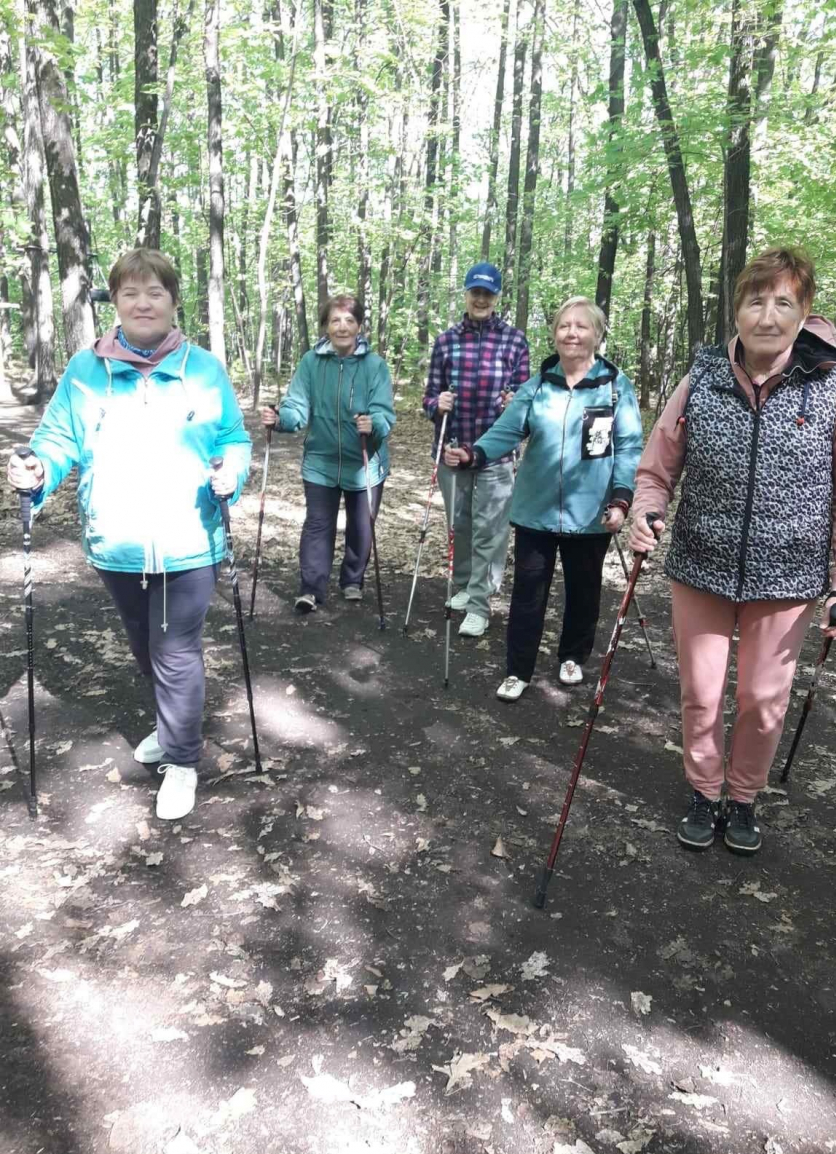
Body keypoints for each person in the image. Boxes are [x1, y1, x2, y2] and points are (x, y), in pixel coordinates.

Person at [628, 246, 836, 856]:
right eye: (755, 300)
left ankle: (743, 796)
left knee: (763, 701)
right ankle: (704, 791)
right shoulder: (701, 376)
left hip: (790, 574)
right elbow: (657, 470)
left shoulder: (832, 389)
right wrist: (645, 512)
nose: (767, 315)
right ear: (736, 308)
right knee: (701, 693)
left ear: (804, 311)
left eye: (783, 302)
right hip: (700, 563)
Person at [7, 247, 251, 821]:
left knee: (176, 651)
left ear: (172, 301)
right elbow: (58, 440)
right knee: (146, 649)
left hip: (189, 539)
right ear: (114, 302)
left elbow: (234, 438)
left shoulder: (204, 368)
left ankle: (183, 760)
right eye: (130, 293)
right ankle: (171, 731)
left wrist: (231, 471)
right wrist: (37, 470)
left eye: (155, 292)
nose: (143, 303)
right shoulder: (85, 370)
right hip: (116, 541)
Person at [445, 296, 643, 699]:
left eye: (581, 326)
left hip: (591, 513)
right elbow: (506, 429)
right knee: (528, 593)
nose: (572, 333)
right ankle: (518, 669)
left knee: (584, 590)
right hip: (535, 510)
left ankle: (572, 656)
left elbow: (628, 446)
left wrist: (621, 498)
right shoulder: (538, 386)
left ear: (598, 334)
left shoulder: (615, 388)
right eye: (564, 326)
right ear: (554, 334)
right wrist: (473, 453)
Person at [261, 294, 395, 611]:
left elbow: (385, 414)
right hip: (321, 461)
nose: (342, 327)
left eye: (349, 320)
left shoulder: (375, 366)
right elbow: (296, 405)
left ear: (359, 326)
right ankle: (311, 589)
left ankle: (352, 580)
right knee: (318, 523)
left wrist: (372, 423)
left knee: (361, 525)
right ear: (326, 326)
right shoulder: (311, 362)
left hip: (365, 463)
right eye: (335, 320)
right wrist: (281, 419)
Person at [423, 262, 530, 638]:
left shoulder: (514, 340)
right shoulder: (446, 341)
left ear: (497, 296)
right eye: (475, 292)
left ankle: (480, 605)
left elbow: (523, 398)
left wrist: (512, 401)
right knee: (461, 524)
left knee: (490, 530)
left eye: (488, 293)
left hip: (496, 454)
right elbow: (428, 400)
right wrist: (439, 404)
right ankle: (467, 585)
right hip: (453, 450)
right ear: (466, 295)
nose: (481, 299)